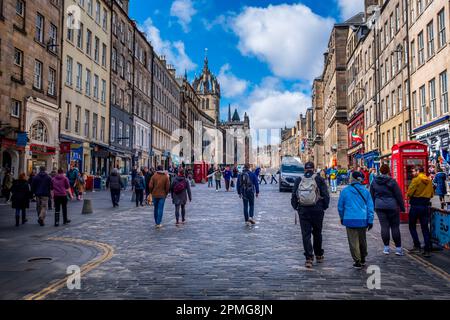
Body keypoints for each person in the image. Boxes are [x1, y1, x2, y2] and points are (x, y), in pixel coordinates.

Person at [291, 162, 330, 268]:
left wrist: (296, 207)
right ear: (314, 169)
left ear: (304, 169)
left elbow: (294, 195)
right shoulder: (319, 179)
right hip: (317, 210)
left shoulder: (299, 180)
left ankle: (309, 258)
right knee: (317, 233)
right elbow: (326, 195)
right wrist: (324, 206)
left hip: (303, 210)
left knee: (306, 234)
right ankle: (318, 254)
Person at [338, 171, 374, 269]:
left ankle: (357, 260)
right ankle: (363, 257)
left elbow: (340, 207)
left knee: (353, 241)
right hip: (362, 219)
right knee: (362, 240)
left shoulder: (345, 191)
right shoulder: (365, 191)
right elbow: (370, 207)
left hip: (349, 219)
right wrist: (370, 220)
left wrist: (342, 217)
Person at [370, 164, 405, 256]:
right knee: (395, 227)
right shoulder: (392, 181)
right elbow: (398, 195)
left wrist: (374, 206)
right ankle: (398, 249)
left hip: (379, 206)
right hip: (392, 206)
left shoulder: (374, 181)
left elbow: (371, 195)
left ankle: (386, 248)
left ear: (380, 171)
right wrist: (402, 207)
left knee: (384, 227)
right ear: (388, 171)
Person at [407, 166, 434, 257]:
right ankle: (427, 249)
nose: (412, 173)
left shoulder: (416, 180)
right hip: (425, 205)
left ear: (418, 171)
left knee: (412, 226)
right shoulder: (429, 180)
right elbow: (431, 194)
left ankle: (417, 246)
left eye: (414, 171)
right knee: (425, 228)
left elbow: (409, 193)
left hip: (415, 205)